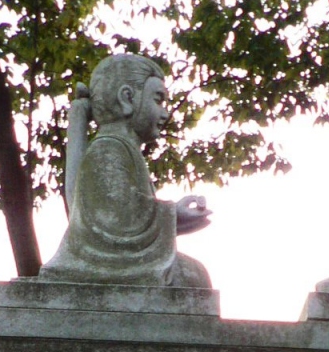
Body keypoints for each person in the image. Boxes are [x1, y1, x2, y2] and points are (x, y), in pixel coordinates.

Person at [41, 53, 212, 288]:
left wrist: (173, 218)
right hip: (104, 263)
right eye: (158, 99)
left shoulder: (121, 149)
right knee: (192, 276)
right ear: (127, 98)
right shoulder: (107, 148)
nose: (164, 113)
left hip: (116, 259)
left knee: (193, 275)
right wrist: (173, 215)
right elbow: (114, 217)